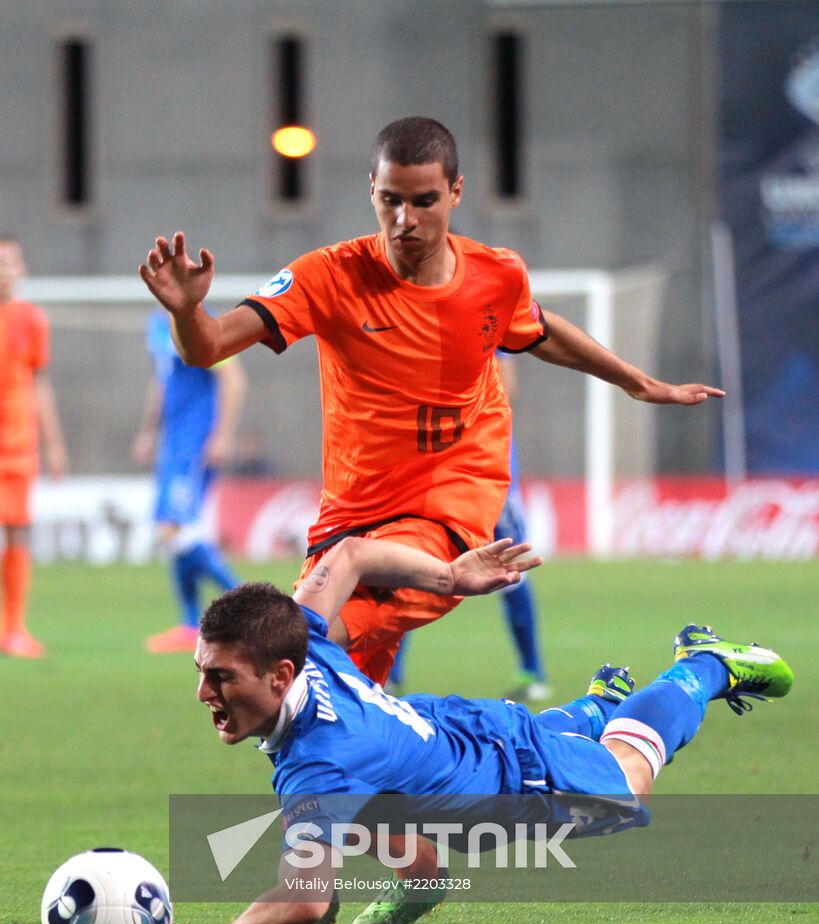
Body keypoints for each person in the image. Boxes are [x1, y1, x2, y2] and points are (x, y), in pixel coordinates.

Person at [139, 116, 725, 685]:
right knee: (334, 708)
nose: (405, 219)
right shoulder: (328, 276)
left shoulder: (495, 276)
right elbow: (207, 348)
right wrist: (188, 311)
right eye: (391, 199)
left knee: (289, 654)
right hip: (352, 510)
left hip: (449, 504)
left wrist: (637, 382)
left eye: (424, 201)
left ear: (455, 193)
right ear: (371, 189)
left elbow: (540, 331)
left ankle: (648, 697)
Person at [159, 535, 792, 924]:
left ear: (279, 677)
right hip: (441, 731)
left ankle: (704, 666)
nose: (202, 693)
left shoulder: (319, 760)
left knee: (625, 785)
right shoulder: (300, 636)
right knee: (365, 805)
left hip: (508, 776)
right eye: (201, 669)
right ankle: (594, 708)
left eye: (220, 678)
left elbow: (300, 903)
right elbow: (348, 555)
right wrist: (448, 575)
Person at [387, 354, 549, 701]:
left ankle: (532, 670)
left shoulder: (484, 320)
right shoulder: (423, 332)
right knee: (409, 562)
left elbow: (507, 387)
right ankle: (391, 673)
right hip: (433, 466)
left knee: (509, 565)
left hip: (489, 470)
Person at [132, 309, 246, 653]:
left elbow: (234, 378)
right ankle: (189, 623)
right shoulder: (155, 324)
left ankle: (250, 609)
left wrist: (223, 435)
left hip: (195, 442)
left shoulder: (200, 323)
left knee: (173, 529)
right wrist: (150, 431)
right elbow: (163, 380)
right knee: (176, 534)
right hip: (174, 443)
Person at [0, 235, 68, 658]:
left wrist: (55, 443)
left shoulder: (32, 320)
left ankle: (15, 628)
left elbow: (40, 383)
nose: (4, 269)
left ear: (21, 270)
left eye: (10, 262)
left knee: (18, 530)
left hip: (20, 441)